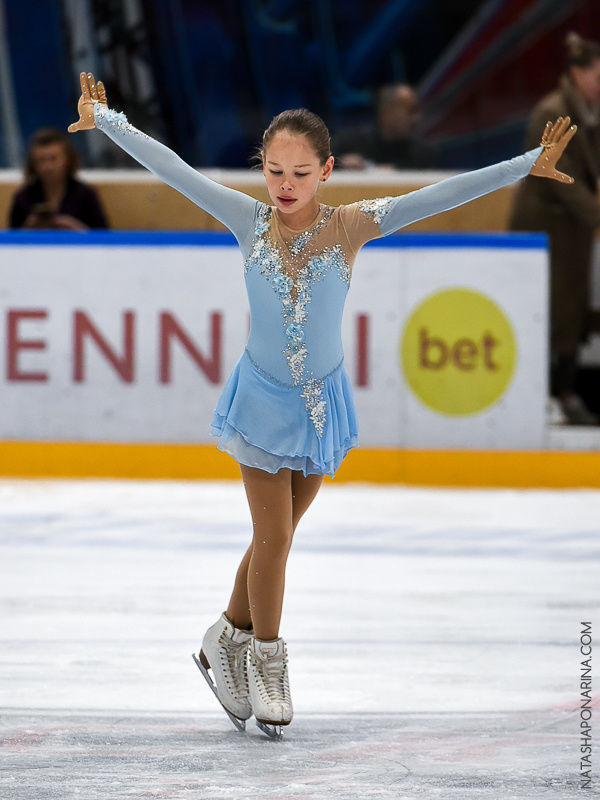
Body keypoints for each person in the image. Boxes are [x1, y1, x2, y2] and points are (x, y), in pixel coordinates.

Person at [69, 72, 575, 735]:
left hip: (319, 405)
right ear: (263, 166)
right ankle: (266, 659)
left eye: (300, 172)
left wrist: (523, 164)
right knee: (275, 537)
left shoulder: (350, 228)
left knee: (273, 537)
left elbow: (438, 196)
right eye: (275, 169)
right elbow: (174, 169)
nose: (285, 184)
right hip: (259, 402)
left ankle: (223, 637)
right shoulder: (245, 220)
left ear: (327, 171)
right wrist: (107, 122)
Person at [510, 32, 600, 426]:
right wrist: (596, 215)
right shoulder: (554, 111)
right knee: (544, 313)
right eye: (598, 75)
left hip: (573, 234)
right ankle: (546, 394)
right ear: (577, 73)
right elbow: (552, 173)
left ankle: (564, 391)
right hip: (546, 233)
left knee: (571, 314)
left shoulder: (587, 113)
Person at [8, 127, 109, 231]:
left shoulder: (85, 195)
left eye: (53, 159)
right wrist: (29, 227)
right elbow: (12, 242)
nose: (48, 167)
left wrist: (75, 227)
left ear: (68, 160)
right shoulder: (23, 198)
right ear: (33, 164)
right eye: (41, 160)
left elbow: (104, 238)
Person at [330, 83, 438, 170]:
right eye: (410, 111)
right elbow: (321, 163)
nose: (416, 118)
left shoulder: (423, 154)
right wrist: (341, 162)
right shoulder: (348, 143)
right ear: (387, 112)